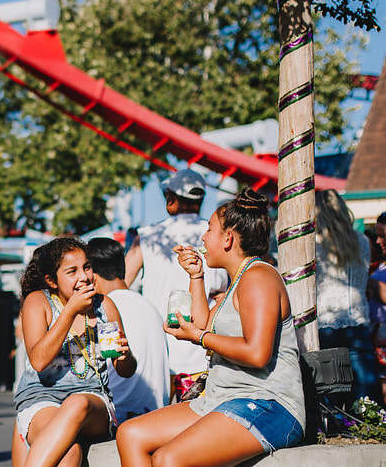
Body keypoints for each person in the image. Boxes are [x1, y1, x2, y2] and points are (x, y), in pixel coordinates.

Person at [116, 188, 305, 465]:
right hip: (221, 397)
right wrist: (197, 276)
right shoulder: (238, 280)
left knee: (170, 459)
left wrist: (201, 337)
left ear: (227, 238)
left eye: (209, 229)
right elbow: (203, 325)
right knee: (130, 434)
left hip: (268, 404)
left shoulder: (258, 278)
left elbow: (256, 353)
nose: (203, 237)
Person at [14, 235, 135, 467]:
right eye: (72, 271)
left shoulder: (105, 306)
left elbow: (126, 370)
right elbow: (38, 360)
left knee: (77, 403)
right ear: (52, 281)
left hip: (93, 402)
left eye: (87, 267)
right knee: (70, 452)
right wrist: (70, 311)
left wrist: (125, 356)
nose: (84, 277)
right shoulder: (38, 301)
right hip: (41, 398)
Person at [125, 169, 228, 399]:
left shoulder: (148, 235)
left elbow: (121, 283)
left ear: (171, 200)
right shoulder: (216, 236)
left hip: (157, 350)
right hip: (204, 348)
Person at [85, 237, 169, 422]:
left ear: (93, 276)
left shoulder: (106, 310)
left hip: (122, 417)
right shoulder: (149, 306)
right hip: (158, 413)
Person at [314, 189, 383, 405]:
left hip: (326, 324)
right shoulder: (362, 241)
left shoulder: (314, 244)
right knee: (367, 403)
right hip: (357, 323)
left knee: (332, 402)